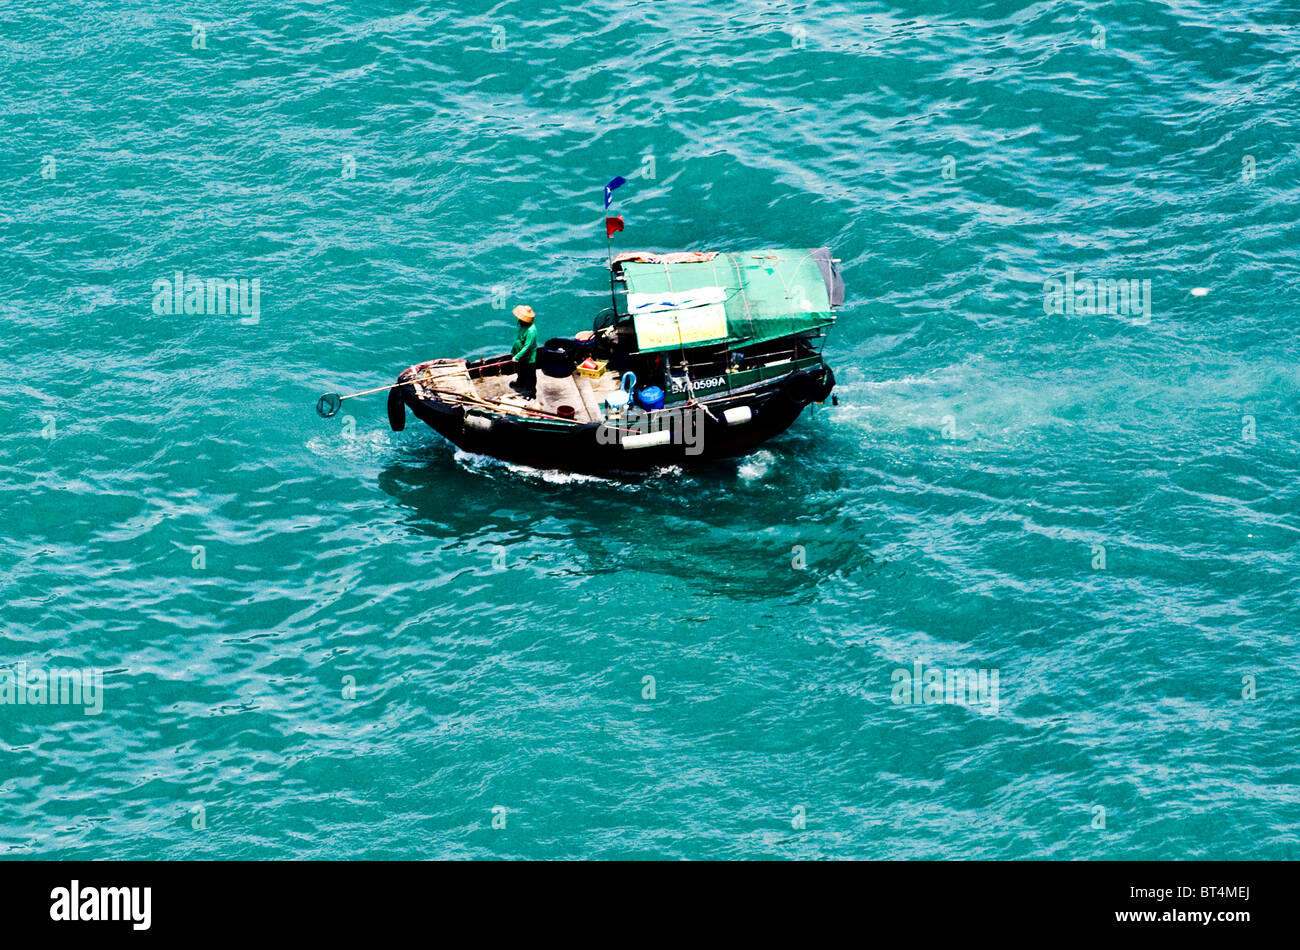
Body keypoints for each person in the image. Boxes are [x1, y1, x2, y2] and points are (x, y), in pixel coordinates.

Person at [510, 304, 539, 397]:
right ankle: (520, 382)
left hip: (528, 357)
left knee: (530, 374)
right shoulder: (520, 323)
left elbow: (527, 346)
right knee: (520, 370)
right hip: (518, 352)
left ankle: (531, 392)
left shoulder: (531, 331)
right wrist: (515, 353)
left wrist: (517, 356)